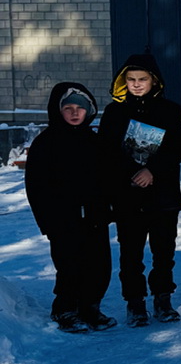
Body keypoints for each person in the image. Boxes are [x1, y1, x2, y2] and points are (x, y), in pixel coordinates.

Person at [98, 54, 181, 326]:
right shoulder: (114, 113)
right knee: (131, 253)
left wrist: (153, 171)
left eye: (142, 79)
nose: (136, 85)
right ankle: (135, 303)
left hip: (163, 195)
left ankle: (163, 298)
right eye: (131, 80)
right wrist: (131, 174)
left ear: (154, 81)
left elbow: (179, 147)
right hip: (128, 195)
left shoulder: (170, 111)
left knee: (163, 252)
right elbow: (106, 153)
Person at [26, 83, 116, 332]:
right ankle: (65, 309)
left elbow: (108, 178)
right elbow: (36, 186)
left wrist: (108, 208)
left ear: (90, 111)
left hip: (95, 217)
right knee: (69, 266)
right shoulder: (46, 143)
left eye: (81, 108)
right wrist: (48, 222)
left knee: (99, 265)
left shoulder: (95, 142)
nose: (75, 113)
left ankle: (90, 307)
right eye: (68, 108)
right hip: (63, 220)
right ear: (58, 110)